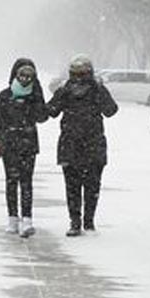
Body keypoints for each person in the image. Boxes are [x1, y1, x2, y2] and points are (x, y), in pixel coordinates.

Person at [46, 54, 118, 236]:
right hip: (92, 144)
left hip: (71, 145)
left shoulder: (66, 90)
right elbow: (111, 110)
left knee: (73, 187)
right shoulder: (95, 89)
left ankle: (76, 222)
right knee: (91, 187)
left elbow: (51, 111)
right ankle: (87, 222)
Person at [0, 58, 48, 237]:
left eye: (29, 75)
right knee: (11, 181)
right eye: (22, 74)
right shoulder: (4, 96)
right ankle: (12, 218)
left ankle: (27, 219)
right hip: (9, 145)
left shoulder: (34, 96)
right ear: (15, 74)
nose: (25, 78)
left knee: (27, 182)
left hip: (28, 145)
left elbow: (42, 117)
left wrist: (37, 96)